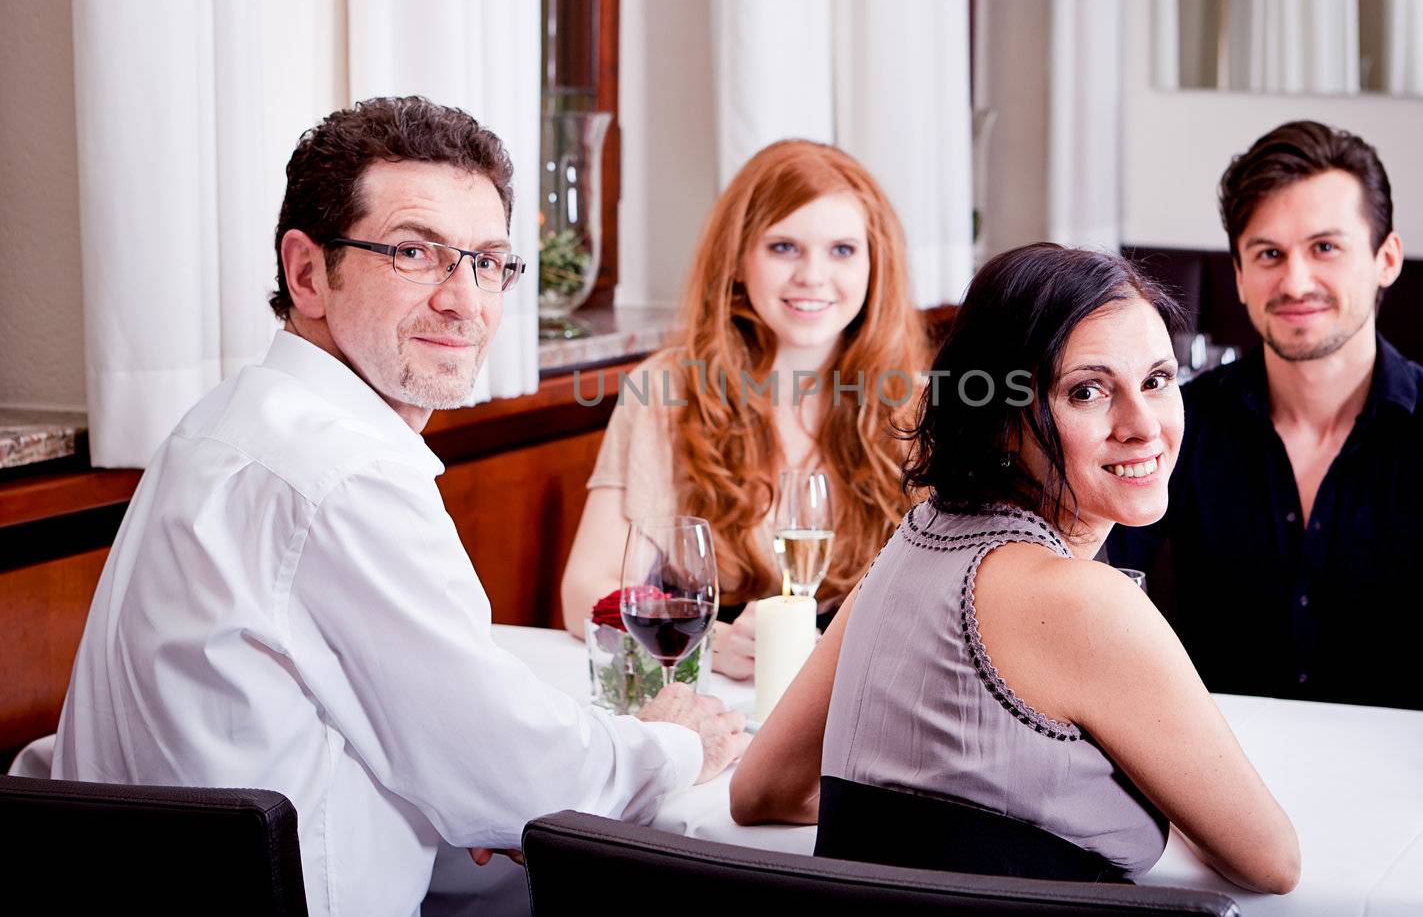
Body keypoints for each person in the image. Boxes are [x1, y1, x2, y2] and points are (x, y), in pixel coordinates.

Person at [52, 97, 748, 917]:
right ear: (307, 272)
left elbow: (471, 759)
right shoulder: (339, 473)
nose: (466, 300)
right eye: (416, 252)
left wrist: (482, 787)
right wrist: (675, 742)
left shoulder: (228, 421)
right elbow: (527, 778)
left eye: (487, 262)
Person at [730, 244, 1301, 894]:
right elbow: (1272, 861)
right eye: (1088, 391)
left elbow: (758, 789)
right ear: (1002, 420)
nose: (1143, 425)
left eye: (1158, 379)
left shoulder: (910, 548)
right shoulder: (1085, 602)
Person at [1109, 119, 1423, 848]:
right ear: (1238, 275)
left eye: (1326, 248)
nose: (1295, 280)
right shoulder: (1181, 425)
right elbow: (1105, 583)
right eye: (1267, 254)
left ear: (1386, 259)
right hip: (1217, 796)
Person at [559, 140, 927, 679]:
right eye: (784, 247)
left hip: (868, 688)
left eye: (843, 250)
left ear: (877, 267)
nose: (812, 276)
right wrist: (710, 642)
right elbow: (584, 591)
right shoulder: (665, 389)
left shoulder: (918, 404)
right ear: (735, 260)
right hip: (727, 694)